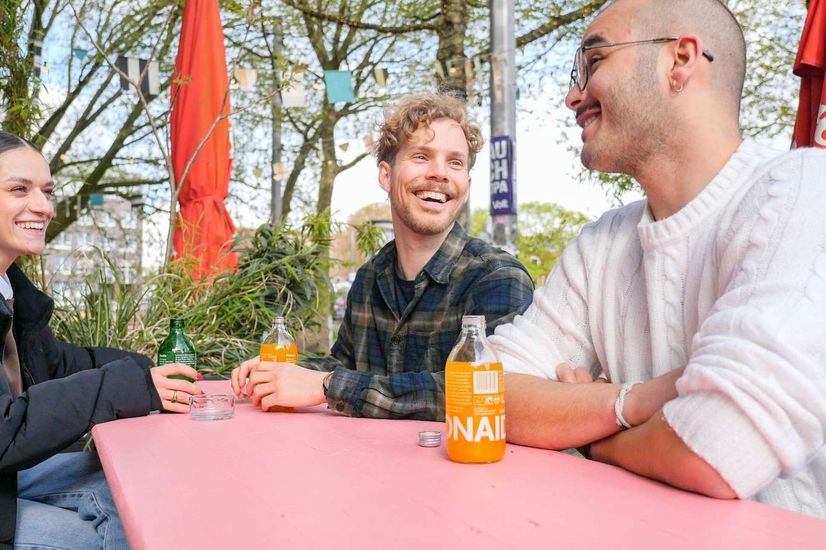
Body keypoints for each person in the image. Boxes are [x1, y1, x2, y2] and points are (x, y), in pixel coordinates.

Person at [489, 0, 826, 517]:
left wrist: (590, 439)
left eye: (594, 61)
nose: (572, 95)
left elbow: (716, 448)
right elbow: (481, 391)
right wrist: (638, 401)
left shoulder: (804, 189)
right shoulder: (601, 243)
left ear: (680, 60)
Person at [232, 93, 534, 421]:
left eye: (455, 162)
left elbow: (490, 392)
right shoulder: (369, 278)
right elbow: (345, 366)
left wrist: (328, 385)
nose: (440, 173)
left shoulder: (497, 278)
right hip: (367, 467)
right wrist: (282, 372)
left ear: (466, 184)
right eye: (421, 156)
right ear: (386, 176)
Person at [0, 131, 203, 548]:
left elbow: (59, 364)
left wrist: (148, 373)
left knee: (132, 484)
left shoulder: (10, 290)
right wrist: (130, 387)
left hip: (8, 474)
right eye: (19, 189)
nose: (42, 206)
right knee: (102, 537)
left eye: (47, 191)